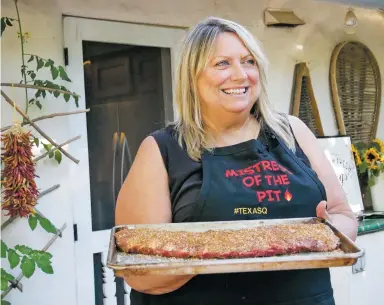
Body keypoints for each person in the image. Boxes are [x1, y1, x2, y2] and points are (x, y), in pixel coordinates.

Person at [115, 16, 358, 305]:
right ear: (192, 76)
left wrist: (322, 234)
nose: (241, 75)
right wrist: (217, 248)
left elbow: (343, 215)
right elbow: (138, 272)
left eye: (248, 61)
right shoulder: (162, 149)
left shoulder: (293, 132)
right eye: (222, 64)